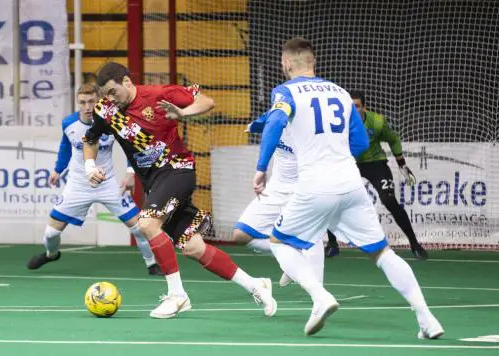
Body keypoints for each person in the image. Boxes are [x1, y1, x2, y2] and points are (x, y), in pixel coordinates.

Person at [253, 37, 444, 338]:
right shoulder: (341, 93)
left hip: (315, 185)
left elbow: (275, 123)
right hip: (351, 184)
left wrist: (261, 168)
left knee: (280, 243)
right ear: (314, 62)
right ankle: (427, 319)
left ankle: (320, 297)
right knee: (383, 253)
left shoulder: (285, 91)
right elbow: (361, 143)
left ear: (286, 63)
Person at [82, 63, 276, 319]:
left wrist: (183, 113)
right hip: (155, 183)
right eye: (105, 94)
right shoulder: (106, 110)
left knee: (147, 224)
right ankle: (256, 284)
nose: (110, 99)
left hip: (177, 169)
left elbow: (206, 101)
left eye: (113, 92)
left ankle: (177, 296)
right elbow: (90, 139)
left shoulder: (160, 94)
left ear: (127, 82)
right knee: (193, 247)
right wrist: (89, 166)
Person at [26, 83, 162, 275]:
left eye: (91, 101)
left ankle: (152, 264)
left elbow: (132, 147)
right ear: (77, 103)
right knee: (51, 233)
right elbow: (66, 146)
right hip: (78, 186)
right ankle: (51, 254)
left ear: (99, 101)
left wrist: (131, 172)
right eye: (82, 102)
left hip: (108, 185)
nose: (87, 107)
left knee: (139, 228)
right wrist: (58, 169)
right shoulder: (69, 123)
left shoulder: (113, 120)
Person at [326, 91, 428, 260]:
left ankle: (415, 244)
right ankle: (332, 244)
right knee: (330, 199)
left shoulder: (377, 122)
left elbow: (393, 139)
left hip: (375, 163)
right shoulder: (337, 123)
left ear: (364, 107)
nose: (354, 109)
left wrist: (401, 163)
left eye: (357, 106)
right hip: (350, 164)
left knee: (389, 200)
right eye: (350, 106)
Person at [233, 113, 324, 286]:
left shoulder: (313, 130)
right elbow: (267, 119)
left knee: (313, 235)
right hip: (276, 189)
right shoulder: (277, 117)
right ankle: (293, 254)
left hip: (303, 191)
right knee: (241, 235)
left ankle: (318, 290)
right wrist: (254, 125)